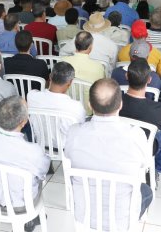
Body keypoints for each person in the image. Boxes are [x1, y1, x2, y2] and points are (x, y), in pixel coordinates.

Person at [64, 78, 153, 230]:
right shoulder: (136, 135)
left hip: (84, 215)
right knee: (146, 191)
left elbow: (68, 155)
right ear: (121, 105)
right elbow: (144, 165)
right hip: (122, 218)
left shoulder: (74, 133)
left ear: (90, 105)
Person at [0, 96, 50, 231]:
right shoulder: (33, 151)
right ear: (23, 122)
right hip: (20, 206)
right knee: (37, 178)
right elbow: (43, 172)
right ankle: (29, 219)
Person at [119, 59, 161, 186]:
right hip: (145, 149)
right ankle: (155, 169)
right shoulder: (157, 108)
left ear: (126, 76)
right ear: (149, 80)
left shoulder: (114, 103)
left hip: (118, 143)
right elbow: (160, 128)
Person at [27, 62, 87, 134]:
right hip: (65, 145)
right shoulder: (77, 107)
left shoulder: (32, 96)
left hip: (38, 143)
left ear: (50, 77)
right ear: (70, 82)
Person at [61, 31, 106, 114]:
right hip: (88, 111)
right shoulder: (98, 67)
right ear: (90, 47)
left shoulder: (63, 62)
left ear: (75, 44)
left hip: (66, 109)